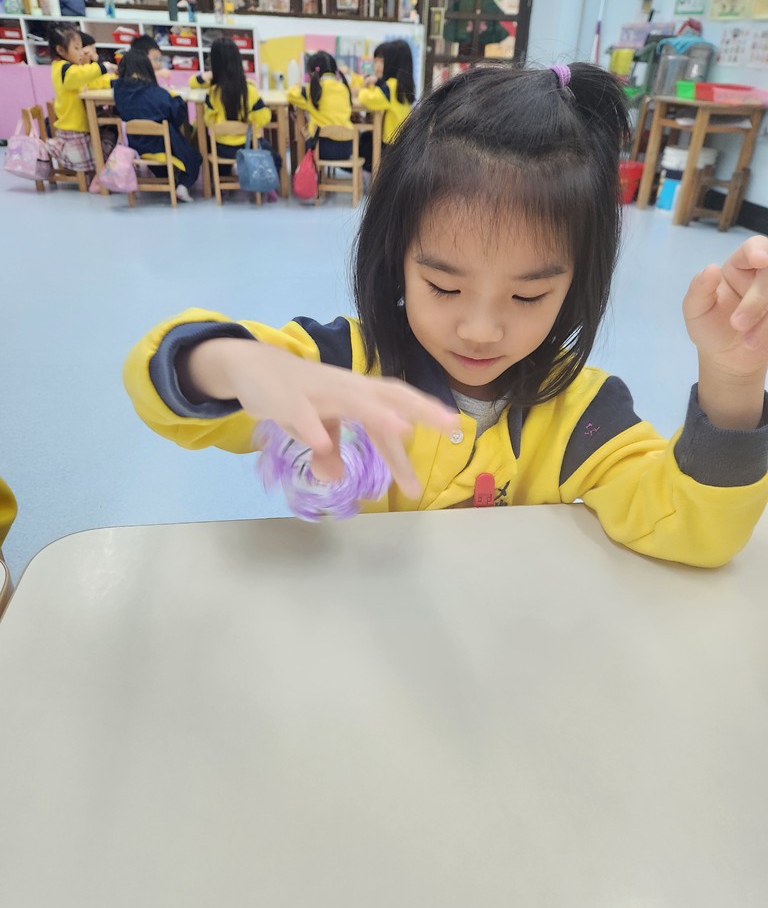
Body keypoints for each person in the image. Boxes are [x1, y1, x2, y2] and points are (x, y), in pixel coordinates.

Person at [123, 62, 768, 568]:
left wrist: (734, 381)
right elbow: (157, 390)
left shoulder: (582, 415)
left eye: (527, 297)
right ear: (396, 258)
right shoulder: (339, 369)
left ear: (577, 284)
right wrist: (231, 363)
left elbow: (689, 530)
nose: (480, 330)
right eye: (443, 286)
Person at [189, 37, 279, 198]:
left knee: (210, 148)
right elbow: (264, 117)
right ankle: (266, 181)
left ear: (214, 63)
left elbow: (208, 119)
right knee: (275, 156)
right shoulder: (249, 89)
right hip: (249, 146)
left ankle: (222, 184)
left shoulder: (213, 92)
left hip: (222, 148)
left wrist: (209, 76)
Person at [113, 48, 201, 202]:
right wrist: (178, 99)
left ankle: (168, 180)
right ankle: (183, 186)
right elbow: (176, 116)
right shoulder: (156, 93)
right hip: (160, 145)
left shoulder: (118, 90)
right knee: (194, 157)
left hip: (135, 145)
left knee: (164, 163)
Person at [48, 21, 117, 173]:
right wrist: (102, 67)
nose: (81, 53)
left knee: (108, 134)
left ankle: (96, 173)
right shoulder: (63, 69)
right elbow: (83, 74)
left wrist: (113, 81)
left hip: (81, 128)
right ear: (60, 50)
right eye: (76, 48)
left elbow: (91, 82)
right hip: (72, 130)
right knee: (100, 153)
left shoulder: (72, 70)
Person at [357, 39, 415, 171]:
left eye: (382, 61)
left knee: (362, 147)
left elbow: (367, 99)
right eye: (376, 62)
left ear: (391, 63)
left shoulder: (391, 87)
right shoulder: (403, 86)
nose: (377, 66)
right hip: (401, 141)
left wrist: (363, 88)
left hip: (390, 144)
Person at [286, 51, 353, 162]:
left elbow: (290, 94)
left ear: (312, 72)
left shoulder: (312, 90)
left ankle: (308, 171)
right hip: (346, 148)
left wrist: (298, 86)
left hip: (321, 148)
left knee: (304, 136)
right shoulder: (344, 88)